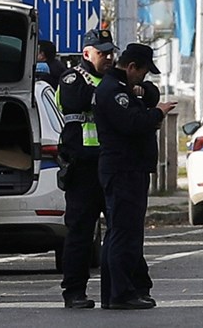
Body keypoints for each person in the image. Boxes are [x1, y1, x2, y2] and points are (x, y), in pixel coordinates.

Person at [93, 43, 177, 310]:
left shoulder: (122, 89)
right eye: (142, 73)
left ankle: (122, 290)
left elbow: (147, 97)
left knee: (123, 232)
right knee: (123, 233)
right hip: (124, 169)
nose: (143, 78)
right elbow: (133, 123)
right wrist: (158, 113)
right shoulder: (114, 91)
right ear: (131, 67)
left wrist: (147, 100)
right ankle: (120, 293)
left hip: (128, 169)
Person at [55, 28, 116, 309]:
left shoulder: (114, 80)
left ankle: (117, 291)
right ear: (86, 53)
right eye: (102, 53)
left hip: (110, 163)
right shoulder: (72, 78)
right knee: (80, 233)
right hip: (83, 168)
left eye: (110, 52)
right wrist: (113, 96)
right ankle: (74, 291)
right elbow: (79, 101)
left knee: (118, 231)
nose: (108, 57)